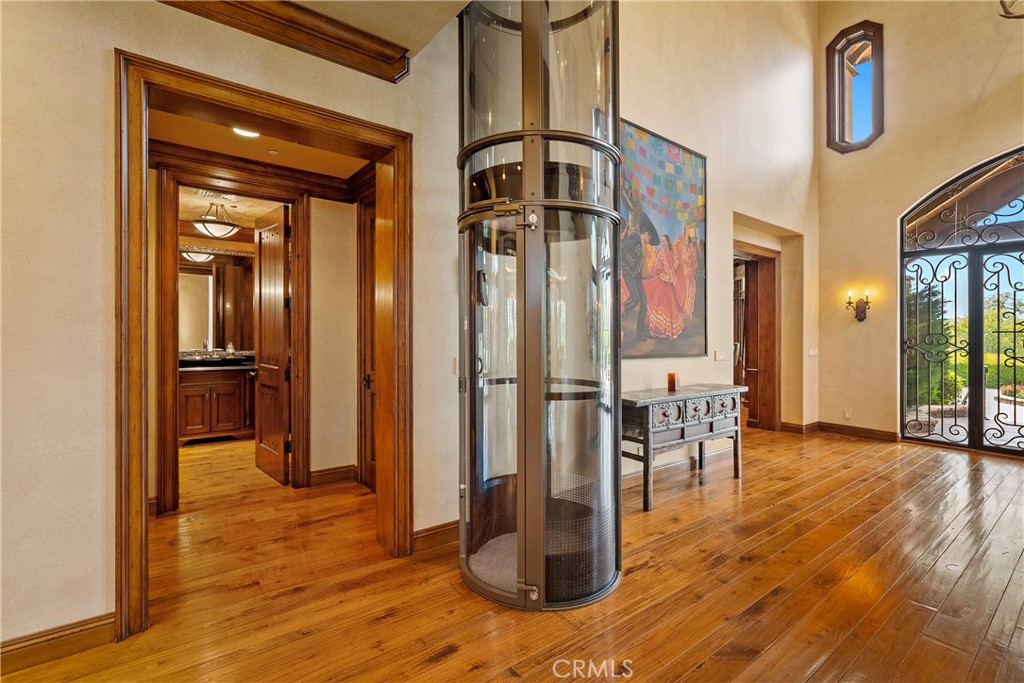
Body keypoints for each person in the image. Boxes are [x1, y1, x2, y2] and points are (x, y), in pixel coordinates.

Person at [643, 234, 685, 338]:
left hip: (668, 284)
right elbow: (660, 270)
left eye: (664, 241)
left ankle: (668, 330)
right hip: (664, 282)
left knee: (668, 305)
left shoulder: (670, 254)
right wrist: (669, 277)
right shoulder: (665, 254)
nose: (663, 244)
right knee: (663, 304)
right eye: (662, 242)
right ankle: (661, 330)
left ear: (668, 242)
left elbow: (672, 269)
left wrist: (671, 277)